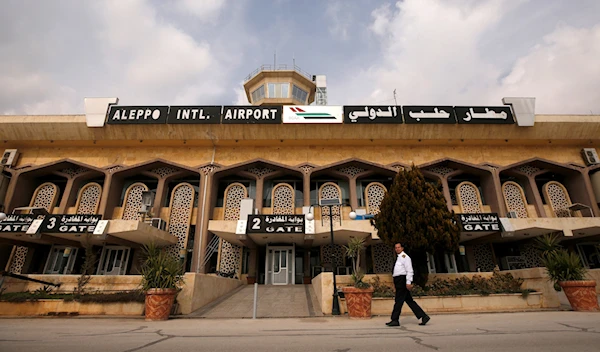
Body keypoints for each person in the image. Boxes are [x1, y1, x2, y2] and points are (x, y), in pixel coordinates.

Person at [386, 242, 430, 327]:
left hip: (402, 280)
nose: (397, 249)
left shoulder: (405, 257)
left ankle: (395, 319)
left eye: (399, 247)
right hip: (398, 280)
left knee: (398, 301)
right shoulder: (399, 258)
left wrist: (408, 282)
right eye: (396, 248)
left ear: (402, 248)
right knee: (409, 301)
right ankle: (423, 316)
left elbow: (409, 270)